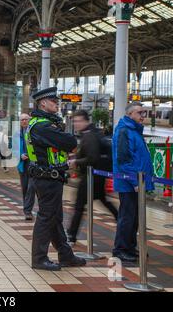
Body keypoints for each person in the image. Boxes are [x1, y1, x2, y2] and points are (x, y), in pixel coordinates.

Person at [25, 86, 86, 271]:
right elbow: (70, 142)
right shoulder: (42, 126)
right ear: (43, 103)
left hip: (49, 176)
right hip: (47, 178)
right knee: (46, 217)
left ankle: (65, 255)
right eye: (54, 101)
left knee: (54, 217)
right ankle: (39, 258)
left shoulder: (40, 123)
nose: (57, 104)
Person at [67, 110, 118, 245]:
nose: (76, 124)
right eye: (74, 121)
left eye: (78, 121)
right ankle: (121, 219)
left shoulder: (89, 136)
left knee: (78, 206)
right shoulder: (94, 133)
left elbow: (92, 158)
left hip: (90, 176)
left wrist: (76, 162)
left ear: (85, 121)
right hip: (98, 175)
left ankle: (71, 235)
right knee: (103, 200)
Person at [112, 102, 154, 262]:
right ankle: (120, 249)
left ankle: (129, 247)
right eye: (140, 113)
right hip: (129, 184)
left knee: (134, 217)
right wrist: (134, 182)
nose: (143, 115)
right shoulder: (124, 131)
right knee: (127, 217)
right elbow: (123, 161)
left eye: (144, 112)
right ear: (130, 114)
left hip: (137, 182)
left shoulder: (134, 130)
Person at [17, 113, 36, 220]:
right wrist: (20, 155)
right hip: (22, 164)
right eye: (22, 120)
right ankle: (27, 209)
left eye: (26, 119)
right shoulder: (17, 134)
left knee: (31, 187)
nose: (24, 121)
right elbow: (14, 148)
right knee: (25, 187)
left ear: (29, 120)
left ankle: (28, 211)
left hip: (33, 163)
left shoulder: (33, 132)